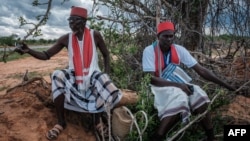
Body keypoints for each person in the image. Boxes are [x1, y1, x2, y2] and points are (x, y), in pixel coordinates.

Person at [15, 6, 123, 140]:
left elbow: (106, 55)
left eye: (75, 21)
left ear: (84, 22)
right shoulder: (66, 39)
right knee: (57, 75)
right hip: (75, 76)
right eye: (70, 21)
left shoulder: (95, 35)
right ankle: (61, 122)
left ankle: (97, 122)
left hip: (93, 73)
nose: (71, 24)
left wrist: (106, 74)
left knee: (102, 80)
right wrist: (29, 50)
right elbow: (46, 55)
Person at [142, 21, 236, 141]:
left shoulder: (178, 50)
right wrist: (179, 85)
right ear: (158, 36)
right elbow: (151, 78)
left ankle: (211, 137)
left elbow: (201, 70)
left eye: (171, 36)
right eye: (165, 36)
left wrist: (226, 85)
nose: (169, 39)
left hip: (176, 83)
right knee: (179, 98)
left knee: (199, 94)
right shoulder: (149, 51)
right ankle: (157, 137)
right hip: (159, 86)